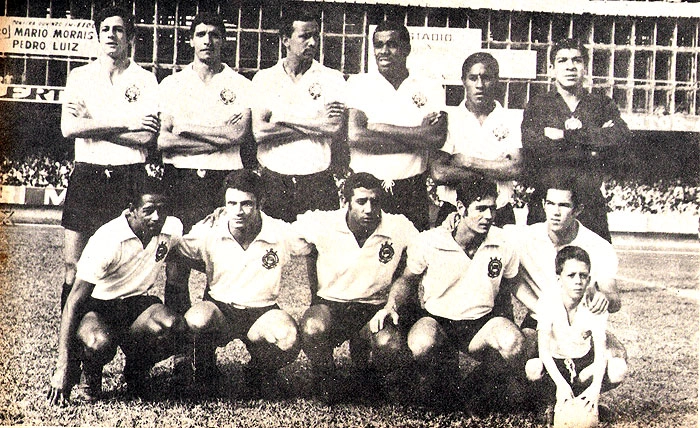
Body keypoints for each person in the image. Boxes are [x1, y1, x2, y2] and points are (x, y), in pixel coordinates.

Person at [370, 177, 537, 409]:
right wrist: (391, 305)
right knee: (421, 346)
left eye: (492, 208)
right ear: (460, 208)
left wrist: (543, 309)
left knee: (514, 344)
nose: (488, 216)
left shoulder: (503, 242)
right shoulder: (430, 241)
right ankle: (443, 376)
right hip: (437, 321)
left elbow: (514, 282)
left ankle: (474, 384)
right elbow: (407, 280)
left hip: (479, 324)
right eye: (480, 209)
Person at [47, 179, 185, 406]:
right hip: (99, 306)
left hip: (137, 305)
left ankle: (136, 369)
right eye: (148, 211)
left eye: (162, 210)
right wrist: (62, 366)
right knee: (99, 343)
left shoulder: (172, 228)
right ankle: (90, 373)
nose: (157, 217)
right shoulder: (107, 239)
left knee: (174, 328)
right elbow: (73, 302)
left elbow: (187, 249)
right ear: (131, 209)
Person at [59, 6, 160, 310]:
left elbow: (146, 138)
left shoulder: (146, 80)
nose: (111, 35)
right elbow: (70, 128)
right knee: (73, 266)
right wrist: (127, 122)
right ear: (98, 35)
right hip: (88, 174)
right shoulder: (79, 76)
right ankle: (72, 349)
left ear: (131, 37)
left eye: (118, 30)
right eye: (105, 29)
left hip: (130, 175)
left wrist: (94, 122)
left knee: (123, 265)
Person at [157, 12, 254, 314]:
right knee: (176, 267)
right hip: (181, 179)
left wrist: (186, 127)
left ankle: (205, 345)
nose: (208, 41)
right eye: (201, 34)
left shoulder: (240, 84)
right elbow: (163, 141)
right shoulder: (172, 84)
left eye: (214, 34)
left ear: (224, 40)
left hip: (224, 179)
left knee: (220, 263)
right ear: (190, 40)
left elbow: (237, 135)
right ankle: (183, 354)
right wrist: (218, 135)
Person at [175, 170, 303, 396]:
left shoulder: (280, 232)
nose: (238, 211)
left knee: (289, 338)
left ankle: (258, 369)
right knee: (195, 320)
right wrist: (207, 267)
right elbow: (175, 249)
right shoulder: (209, 230)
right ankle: (205, 366)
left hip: (262, 311)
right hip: (220, 308)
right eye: (231, 203)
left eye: (246, 204)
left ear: (260, 202)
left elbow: (316, 244)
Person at [295, 172, 419, 403]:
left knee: (389, 345)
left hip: (374, 306)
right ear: (346, 203)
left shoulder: (398, 226)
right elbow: (280, 233)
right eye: (361, 201)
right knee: (312, 328)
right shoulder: (323, 223)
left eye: (375, 201)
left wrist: (454, 223)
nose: (369, 209)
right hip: (332, 305)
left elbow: (428, 247)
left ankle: (366, 376)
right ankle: (326, 377)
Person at [509, 178, 627, 414]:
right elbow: (511, 276)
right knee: (524, 350)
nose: (555, 212)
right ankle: (545, 399)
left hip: (581, 321)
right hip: (542, 319)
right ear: (543, 204)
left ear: (578, 209)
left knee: (617, 358)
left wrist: (602, 296)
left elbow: (613, 298)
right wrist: (539, 307)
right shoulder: (523, 238)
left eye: (563, 205)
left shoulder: (597, 245)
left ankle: (582, 400)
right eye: (550, 203)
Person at [521, 38, 630, 243]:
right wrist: (592, 144)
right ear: (552, 68)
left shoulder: (601, 103)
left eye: (576, 60)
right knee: (538, 267)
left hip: (589, 203)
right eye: (563, 60)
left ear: (585, 67)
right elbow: (534, 147)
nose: (570, 66)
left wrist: (564, 135)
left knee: (596, 266)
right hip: (547, 203)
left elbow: (620, 137)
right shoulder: (538, 104)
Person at [346, 21, 447, 231]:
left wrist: (380, 128)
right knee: (368, 255)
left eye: (392, 44)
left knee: (413, 255)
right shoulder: (359, 84)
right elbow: (356, 137)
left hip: (411, 187)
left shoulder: (429, 86)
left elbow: (436, 138)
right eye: (378, 45)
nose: (384, 51)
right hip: (369, 189)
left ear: (407, 48)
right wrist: (418, 136)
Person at [251, 7, 347, 223]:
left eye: (315, 36)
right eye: (304, 36)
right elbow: (260, 132)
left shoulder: (332, 78)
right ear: (286, 40)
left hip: (317, 182)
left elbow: (332, 128)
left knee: (318, 250)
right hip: (274, 182)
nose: (312, 43)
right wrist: (315, 123)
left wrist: (283, 119)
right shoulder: (264, 79)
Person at [525, 246, 626, 423]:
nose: (578, 281)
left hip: (582, 365)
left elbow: (601, 353)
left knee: (618, 369)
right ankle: (549, 402)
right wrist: (561, 384)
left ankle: (586, 400)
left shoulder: (595, 304)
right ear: (559, 279)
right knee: (533, 368)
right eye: (571, 275)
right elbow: (544, 352)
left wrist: (595, 389)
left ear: (589, 279)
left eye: (583, 275)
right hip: (555, 364)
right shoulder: (548, 301)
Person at [431, 52, 522, 227]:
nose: (479, 85)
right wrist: (495, 168)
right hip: (455, 212)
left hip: (499, 212)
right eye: (473, 78)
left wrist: (465, 161)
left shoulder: (510, 119)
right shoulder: (449, 118)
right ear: (463, 81)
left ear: (496, 80)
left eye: (486, 78)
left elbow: (515, 169)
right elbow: (439, 172)